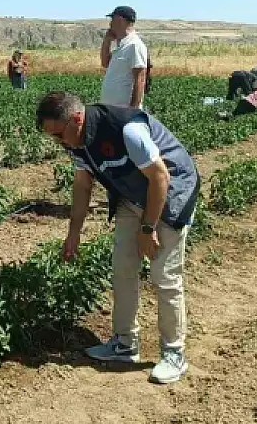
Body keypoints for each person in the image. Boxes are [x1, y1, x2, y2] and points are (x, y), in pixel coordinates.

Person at [37, 91, 199, 384]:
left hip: (171, 191)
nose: (58, 142)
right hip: (131, 196)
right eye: (53, 138)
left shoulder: (127, 130)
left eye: (59, 135)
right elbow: (82, 187)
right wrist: (73, 234)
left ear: (77, 119)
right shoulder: (75, 141)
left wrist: (148, 229)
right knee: (122, 267)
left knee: (164, 275)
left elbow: (160, 177)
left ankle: (174, 353)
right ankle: (124, 344)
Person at [100, 6, 149, 108]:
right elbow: (105, 63)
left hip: (123, 111)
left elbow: (140, 79)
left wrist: (132, 111)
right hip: (111, 109)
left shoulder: (134, 45)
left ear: (120, 20)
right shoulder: (121, 46)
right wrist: (107, 41)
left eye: (112, 19)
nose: (110, 23)